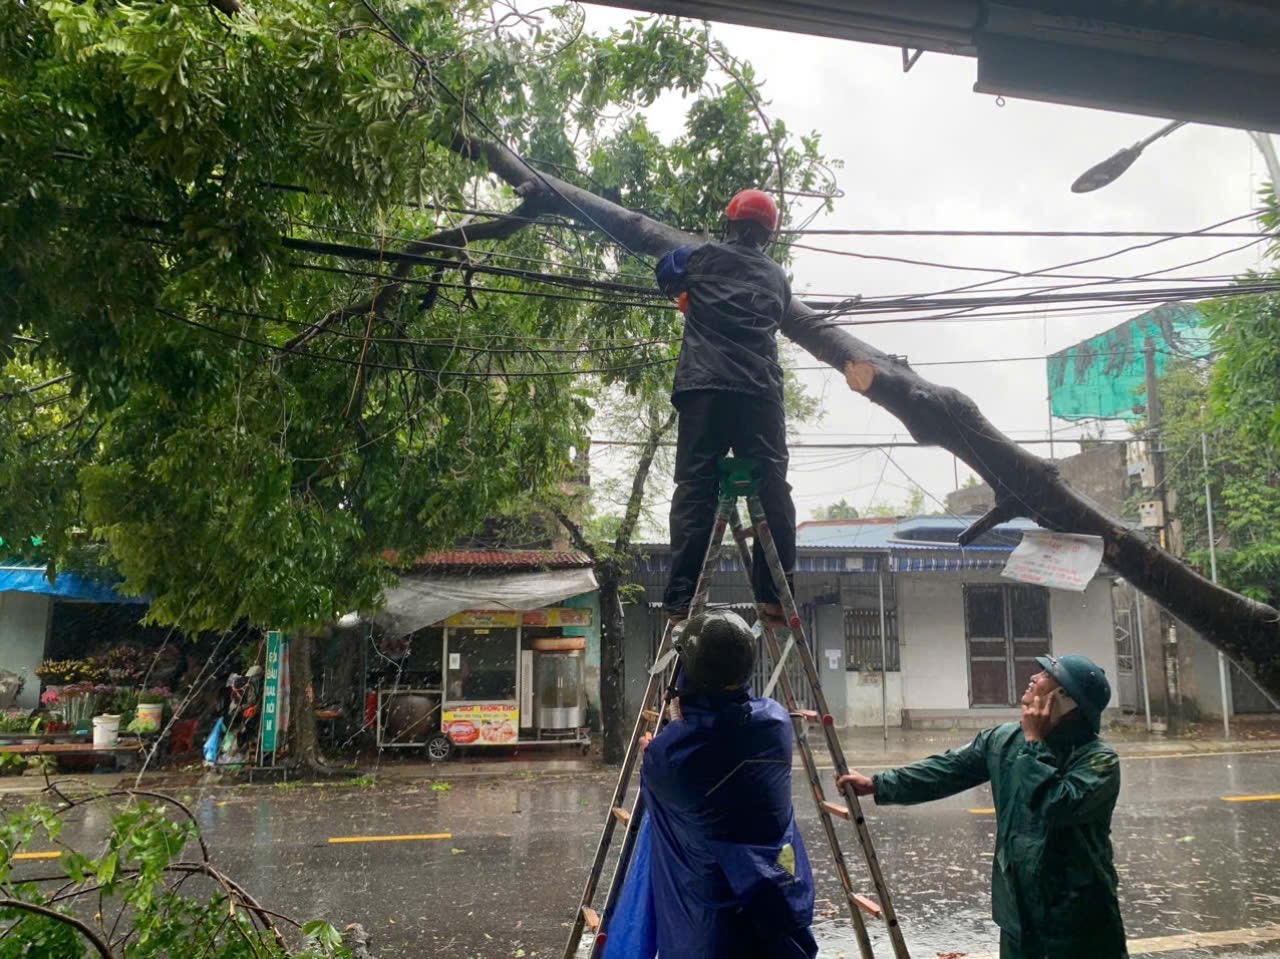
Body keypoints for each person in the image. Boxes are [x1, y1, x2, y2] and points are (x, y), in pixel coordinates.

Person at [837, 654, 1127, 959]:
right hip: (1019, 917)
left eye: (1046, 675)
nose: (1033, 677)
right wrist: (878, 784)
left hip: (1080, 921)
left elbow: (1055, 806)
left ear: (1065, 700)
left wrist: (1034, 743)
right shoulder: (1005, 740)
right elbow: (947, 770)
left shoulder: (1098, 760)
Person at [616, 610, 817, 959]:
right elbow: (726, 734)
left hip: (708, 934)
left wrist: (668, 734)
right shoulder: (776, 724)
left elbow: (674, 762)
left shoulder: (669, 757)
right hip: (777, 916)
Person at [655, 189, 795, 625]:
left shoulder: (698, 258)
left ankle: (682, 598)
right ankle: (777, 596)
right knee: (773, 489)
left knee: (695, 490)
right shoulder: (777, 277)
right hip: (759, 395)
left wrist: (691, 289)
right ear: (768, 235)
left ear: (730, 223)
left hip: (706, 391)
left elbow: (666, 273)